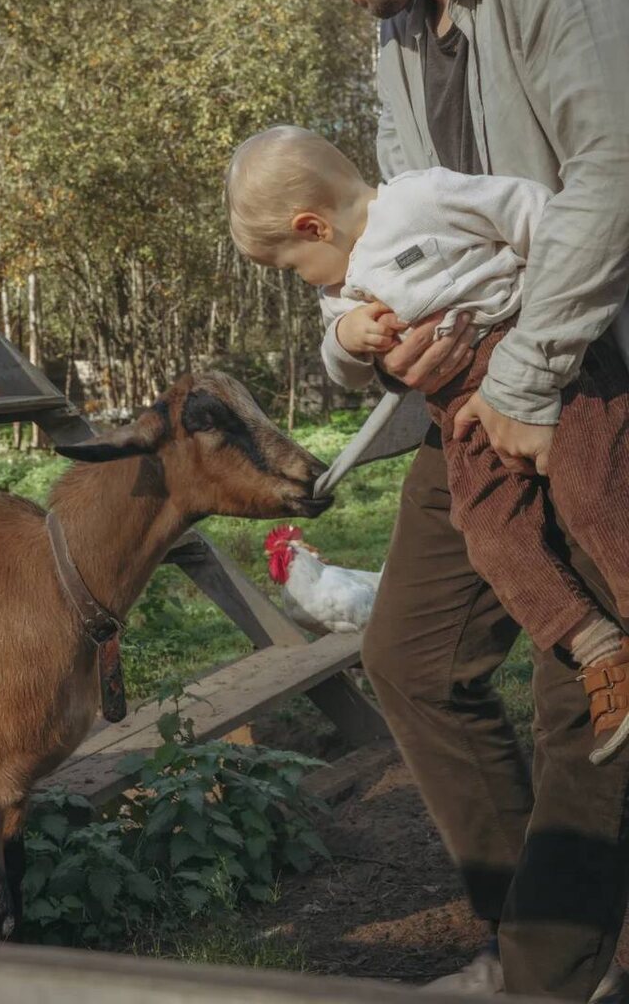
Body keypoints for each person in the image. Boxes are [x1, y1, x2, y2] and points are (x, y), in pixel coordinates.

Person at [245, 0, 629, 999]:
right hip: (476, 397)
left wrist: (520, 377)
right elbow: (417, 232)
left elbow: (612, 167)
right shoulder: (399, 37)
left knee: (588, 685)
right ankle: (537, 941)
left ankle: (547, 974)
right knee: (408, 656)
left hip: (592, 381)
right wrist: (396, 350)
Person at [226, 122, 629, 763]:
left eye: (292, 268)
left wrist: (537, 308)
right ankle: (595, 644)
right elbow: (342, 364)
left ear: (312, 227)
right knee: (488, 528)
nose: (305, 282)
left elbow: (539, 217)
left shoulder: (422, 201)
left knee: (590, 490)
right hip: (459, 410)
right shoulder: (343, 295)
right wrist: (349, 340)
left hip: (546, 359)